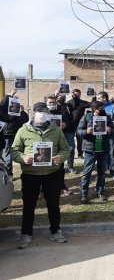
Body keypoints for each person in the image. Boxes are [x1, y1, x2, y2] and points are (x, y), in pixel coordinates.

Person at [11, 102, 69, 249]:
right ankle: (26, 233)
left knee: (54, 205)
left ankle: (55, 231)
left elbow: (65, 149)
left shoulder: (56, 130)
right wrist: (23, 158)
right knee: (29, 205)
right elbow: (14, 151)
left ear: (48, 113)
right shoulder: (23, 130)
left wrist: (60, 158)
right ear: (34, 113)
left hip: (52, 174)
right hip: (31, 175)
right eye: (39, 111)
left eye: (44, 111)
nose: (41, 114)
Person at [77, 101, 113, 204]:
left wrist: (110, 130)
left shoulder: (107, 117)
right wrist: (86, 132)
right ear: (94, 109)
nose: (101, 110)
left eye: (102, 108)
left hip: (103, 149)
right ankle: (84, 194)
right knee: (87, 173)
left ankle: (100, 192)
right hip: (90, 150)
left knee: (102, 172)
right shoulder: (87, 117)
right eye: (99, 108)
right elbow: (78, 131)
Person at [45, 94, 75, 195]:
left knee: (59, 166)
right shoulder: (41, 114)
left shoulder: (61, 112)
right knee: (45, 167)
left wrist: (64, 124)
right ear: (46, 103)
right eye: (50, 102)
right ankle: (43, 189)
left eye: (54, 102)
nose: (52, 104)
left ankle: (61, 186)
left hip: (58, 143)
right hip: (46, 143)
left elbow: (68, 123)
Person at [0, 90, 29, 177]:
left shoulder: (19, 113)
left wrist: (23, 111)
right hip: (8, 136)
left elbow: (25, 119)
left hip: (18, 136)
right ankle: (9, 174)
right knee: (8, 157)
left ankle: (25, 172)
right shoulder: (5, 113)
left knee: (21, 154)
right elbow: (3, 105)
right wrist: (9, 95)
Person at [96, 91, 114, 180]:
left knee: (111, 153)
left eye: (99, 98)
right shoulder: (98, 107)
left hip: (111, 133)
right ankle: (102, 171)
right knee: (101, 153)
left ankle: (113, 171)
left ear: (104, 98)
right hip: (100, 134)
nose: (97, 100)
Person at [66, 89, 91, 159]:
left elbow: (91, 104)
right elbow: (73, 104)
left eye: (78, 94)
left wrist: (93, 96)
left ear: (80, 95)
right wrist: (74, 97)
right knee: (70, 142)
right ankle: (70, 156)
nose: (77, 95)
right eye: (75, 94)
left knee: (80, 140)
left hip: (80, 125)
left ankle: (80, 154)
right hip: (70, 125)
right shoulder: (69, 103)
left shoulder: (82, 103)